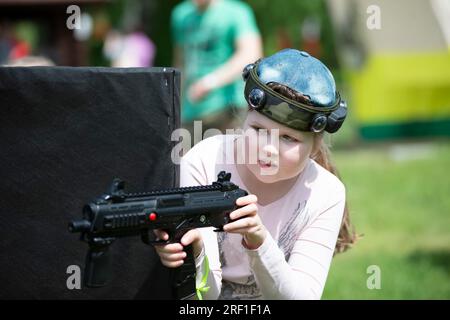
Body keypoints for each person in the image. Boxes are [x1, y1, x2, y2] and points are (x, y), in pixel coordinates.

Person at [155, 49, 358, 299]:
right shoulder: (204, 161)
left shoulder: (327, 193)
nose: (269, 148)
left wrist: (259, 243)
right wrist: (196, 251)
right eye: (259, 129)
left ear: (315, 145)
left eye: (288, 138)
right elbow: (207, 297)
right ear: (243, 119)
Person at [171, 0, 263, 136]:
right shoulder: (180, 14)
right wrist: (175, 103)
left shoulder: (237, 12)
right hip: (191, 111)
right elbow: (180, 62)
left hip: (229, 111)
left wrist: (211, 81)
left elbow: (251, 54)